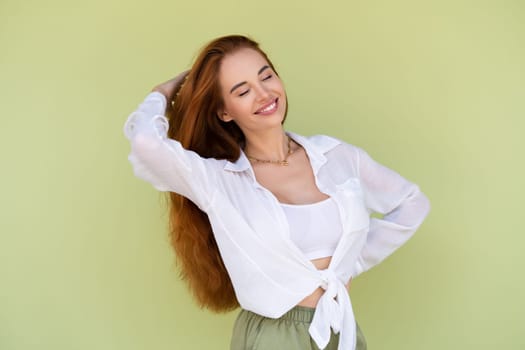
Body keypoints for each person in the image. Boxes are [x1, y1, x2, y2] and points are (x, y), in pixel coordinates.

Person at [123, 35, 430, 350]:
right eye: (242, 91)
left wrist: (350, 263)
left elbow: (412, 203)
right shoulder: (220, 181)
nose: (263, 94)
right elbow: (146, 144)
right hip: (273, 336)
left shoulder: (337, 156)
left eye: (266, 76)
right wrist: (163, 92)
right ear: (225, 112)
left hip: (340, 326)